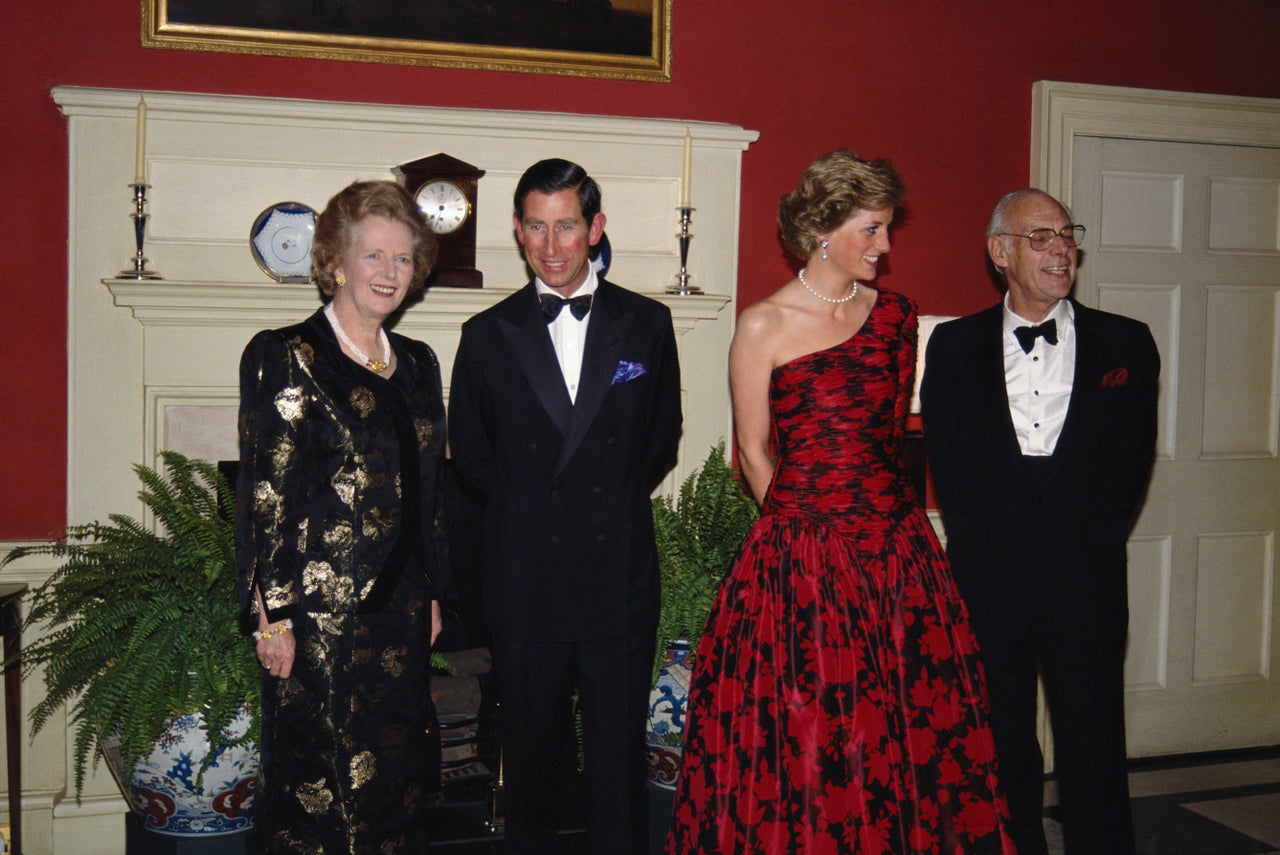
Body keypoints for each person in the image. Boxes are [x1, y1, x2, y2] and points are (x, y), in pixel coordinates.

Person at [666, 149, 1016, 854]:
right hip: (802, 560)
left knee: (906, 733)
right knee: (811, 735)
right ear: (823, 229)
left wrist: (882, 533)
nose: (886, 247)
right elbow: (755, 452)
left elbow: (890, 437)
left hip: (897, 557)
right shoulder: (763, 325)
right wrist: (803, 533)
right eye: (872, 229)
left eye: (887, 229)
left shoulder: (898, 317)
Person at [448, 158, 682, 854]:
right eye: (537, 228)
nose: (552, 246)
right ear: (518, 232)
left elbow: (659, 438)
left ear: (596, 229)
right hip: (526, 580)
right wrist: (535, 514)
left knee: (616, 769)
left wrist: (596, 505)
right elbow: (472, 452)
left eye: (568, 227)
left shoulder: (647, 323)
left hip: (617, 579)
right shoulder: (486, 334)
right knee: (530, 770)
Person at [921, 188, 1160, 855]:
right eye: (1041, 236)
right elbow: (950, 458)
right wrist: (984, 549)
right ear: (1000, 252)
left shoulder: (1128, 343)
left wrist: (1090, 543)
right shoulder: (954, 345)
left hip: (1086, 579)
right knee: (997, 745)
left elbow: (1132, 464)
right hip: (988, 579)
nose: (1061, 248)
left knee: (1094, 742)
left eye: (1067, 234)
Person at [235, 179, 448, 853]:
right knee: (322, 797)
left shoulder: (418, 363)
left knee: (398, 788)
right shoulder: (288, 356)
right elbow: (266, 495)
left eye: (403, 258)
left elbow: (429, 491)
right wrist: (272, 616)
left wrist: (434, 590)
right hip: (320, 626)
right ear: (335, 261)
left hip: (403, 614)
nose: (389, 272)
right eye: (373, 256)